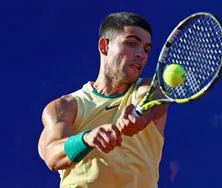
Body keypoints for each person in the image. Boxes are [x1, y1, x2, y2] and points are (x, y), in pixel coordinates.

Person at [38, 11, 168, 188]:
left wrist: (140, 116)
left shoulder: (149, 89)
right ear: (104, 46)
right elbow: (52, 156)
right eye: (131, 44)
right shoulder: (65, 107)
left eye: (146, 49)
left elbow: (152, 105)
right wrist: (87, 139)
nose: (141, 54)